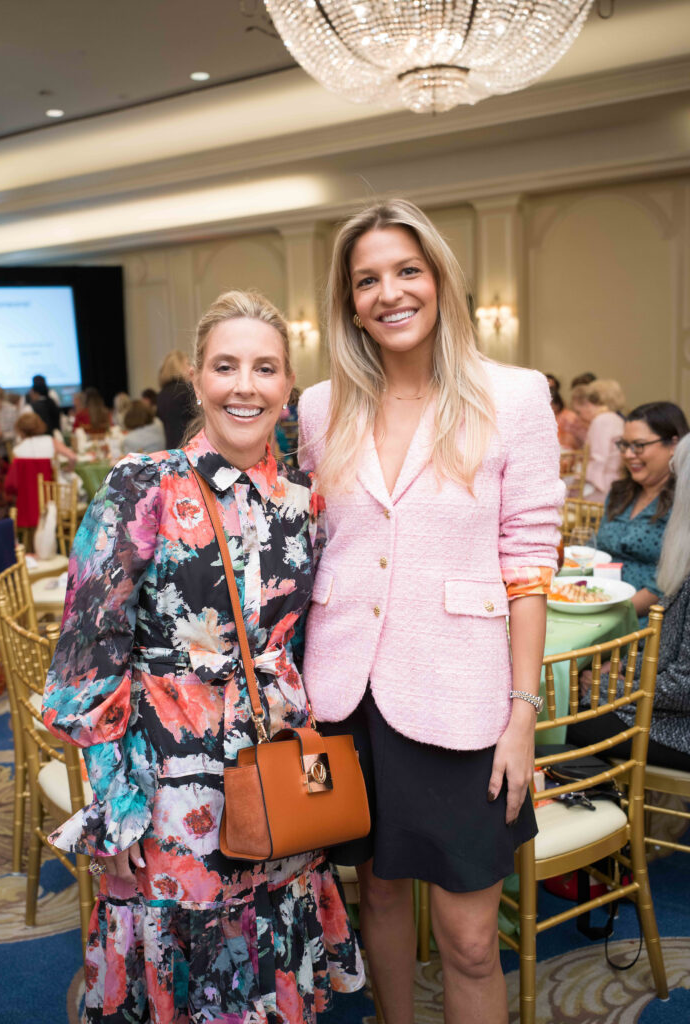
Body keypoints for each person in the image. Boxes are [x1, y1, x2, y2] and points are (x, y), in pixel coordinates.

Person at [42, 290, 364, 1024]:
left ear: (289, 386)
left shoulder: (306, 503)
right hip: (168, 769)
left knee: (268, 926)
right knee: (176, 930)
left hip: (275, 756)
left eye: (265, 368)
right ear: (197, 377)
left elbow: (311, 640)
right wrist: (113, 803)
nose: (244, 385)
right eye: (226, 366)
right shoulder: (141, 485)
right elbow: (88, 654)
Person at [298, 199, 563, 1024]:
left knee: (471, 938)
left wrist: (522, 712)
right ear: (349, 302)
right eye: (367, 279)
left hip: (462, 697)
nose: (390, 292)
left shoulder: (513, 396)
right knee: (373, 894)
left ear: (441, 280)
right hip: (341, 694)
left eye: (407, 271)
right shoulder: (317, 407)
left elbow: (527, 563)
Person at [569, 432, 690, 771]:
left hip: (677, 730)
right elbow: (674, 657)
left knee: (562, 716)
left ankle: (597, 803)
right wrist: (623, 669)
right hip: (668, 705)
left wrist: (614, 685)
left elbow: (682, 689)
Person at [595, 401, 689, 624]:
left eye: (638, 445)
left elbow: (672, 580)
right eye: (624, 445)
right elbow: (598, 547)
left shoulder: (682, 505)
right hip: (601, 603)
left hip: (650, 621)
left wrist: (615, 613)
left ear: (673, 445)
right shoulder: (620, 492)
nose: (628, 454)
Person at [570, 379, 626, 501]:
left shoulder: (601, 420)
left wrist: (578, 482)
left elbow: (599, 459)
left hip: (602, 486)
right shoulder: (615, 419)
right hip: (614, 481)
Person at [156, 349, 196, 448]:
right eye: (187, 363)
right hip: (189, 446)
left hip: (171, 447)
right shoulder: (187, 391)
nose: (190, 367)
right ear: (180, 366)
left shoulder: (161, 394)